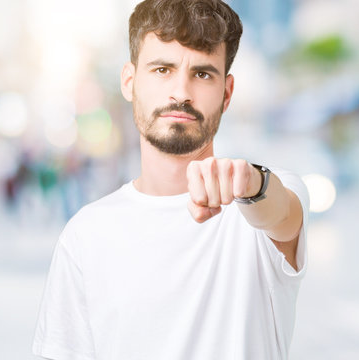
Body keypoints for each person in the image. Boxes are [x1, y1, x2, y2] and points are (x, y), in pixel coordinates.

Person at [32, 0, 309, 359]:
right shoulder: (84, 235)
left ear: (226, 93)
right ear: (130, 82)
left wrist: (253, 186)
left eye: (203, 74)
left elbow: (280, 215)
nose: (181, 92)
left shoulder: (263, 196)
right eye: (162, 69)